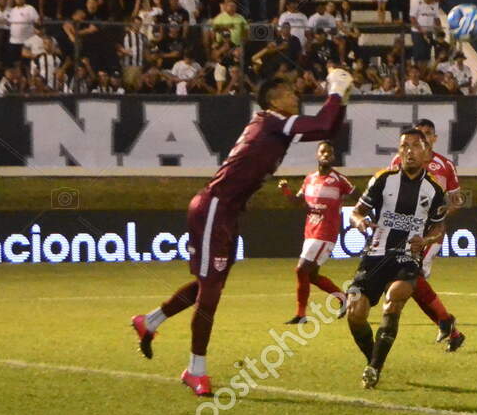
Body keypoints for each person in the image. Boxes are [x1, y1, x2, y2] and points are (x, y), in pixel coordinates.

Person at [132, 69, 352, 396]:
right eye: (290, 92)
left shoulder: (274, 125)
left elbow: (327, 127)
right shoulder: (274, 121)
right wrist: (335, 90)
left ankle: (149, 322)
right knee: (211, 292)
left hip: (226, 212)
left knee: (210, 283)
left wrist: (341, 99)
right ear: (275, 99)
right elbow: (321, 124)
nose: (296, 96)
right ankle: (196, 370)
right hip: (214, 208)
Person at [345, 128, 449, 389]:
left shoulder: (434, 189)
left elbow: (438, 229)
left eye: (416, 146)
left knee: (395, 301)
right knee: (355, 314)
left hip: (407, 257)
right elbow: (356, 212)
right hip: (375, 255)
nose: (409, 151)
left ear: (426, 153)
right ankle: (374, 358)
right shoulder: (382, 180)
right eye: (404, 146)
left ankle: (373, 369)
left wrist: (424, 241)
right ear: (399, 151)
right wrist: (360, 222)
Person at [385, 117, 465, 351]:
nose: (424, 137)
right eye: (420, 133)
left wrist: (438, 217)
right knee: (411, 282)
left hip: (429, 234)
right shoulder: (398, 162)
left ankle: (446, 324)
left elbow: (456, 200)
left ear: (434, 138)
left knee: (411, 279)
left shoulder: (445, 166)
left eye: (428, 133)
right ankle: (449, 327)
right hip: (402, 231)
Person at [277, 140, 353, 324]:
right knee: (311, 275)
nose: (326, 154)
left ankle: (301, 315)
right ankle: (344, 299)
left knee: (301, 269)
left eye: (329, 152)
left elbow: (357, 197)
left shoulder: (340, 180)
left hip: (325, 233)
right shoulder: (309, 178)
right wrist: (286, 191)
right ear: (317, 155)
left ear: (333, 157)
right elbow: (298, 202)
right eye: (323, 151)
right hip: (310, 231)